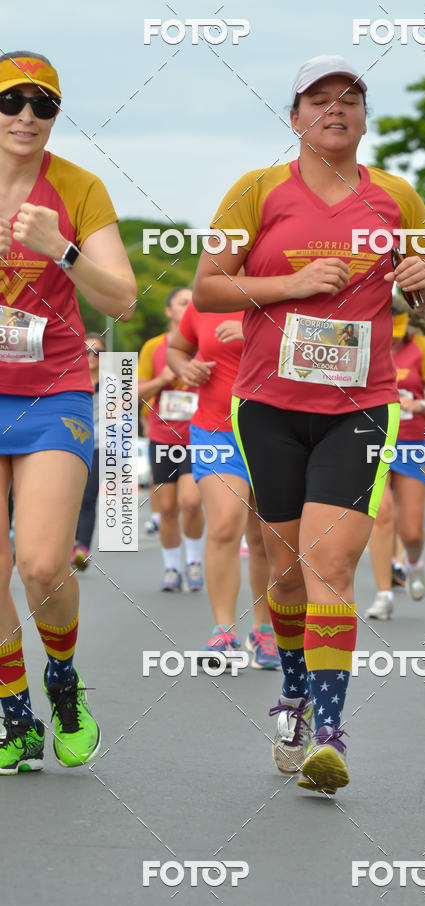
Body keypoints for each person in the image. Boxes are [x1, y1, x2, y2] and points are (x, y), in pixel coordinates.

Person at [192, 55, 425, 793]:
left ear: (365, 119)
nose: (336, 108)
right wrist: (291, 285)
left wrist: (424, 283)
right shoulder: (257, 190)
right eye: (320, 99)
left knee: (331, 565)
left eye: (351, 99)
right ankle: (294, 695)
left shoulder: (397, 196)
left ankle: (329, 733)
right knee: (288, 568)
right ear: (295, 116)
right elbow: (208, 288)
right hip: (267, 404)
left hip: (360, 404)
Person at [0, 51, 136, 773]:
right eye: (11, 101)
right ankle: (15, 712)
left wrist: (62, 249)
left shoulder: (78, 188)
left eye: (42, 104)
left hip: (51, 390)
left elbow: (120, 299)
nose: (26, 115)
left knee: (43, 563)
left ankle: (62, 680)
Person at [167, 301, 280, 669]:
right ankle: (224, 631)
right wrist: (187, 367)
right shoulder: (205, 299)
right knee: (225, 523)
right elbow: (177, 349)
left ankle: (263, 630)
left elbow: (319, 349)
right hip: (216, 429)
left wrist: (255, 333)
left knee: (265, 536)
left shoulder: (283, 289)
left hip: (275, 430)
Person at [366, 310, 425, 615]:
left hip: (412, 444)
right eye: (391, 329)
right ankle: (384, 595)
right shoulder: (362, 340)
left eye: (400, 329)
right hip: (372, 440)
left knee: (411, 531)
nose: (395, 336)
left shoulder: (421, 347)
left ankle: (413, 562)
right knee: (382, 513)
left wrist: (420, 403)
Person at [138, 287, 205, 592]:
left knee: (191, 502)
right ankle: (171, 567)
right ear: (169, 311)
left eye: (194, 303)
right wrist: (163, 379)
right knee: (166, 508)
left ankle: (193, 562)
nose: (189, 307)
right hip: (163, 437)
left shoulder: (206, 342)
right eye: (182, 302)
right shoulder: (154, 346)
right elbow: (132, 394)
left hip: (198, 435)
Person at [71, 333, 105, 570]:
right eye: (86, 352)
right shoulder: (70, 380)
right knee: (68, 497)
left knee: (87, 498)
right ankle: (68, 544)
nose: (91, 357)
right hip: (71, 444)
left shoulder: (113, 383)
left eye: (98, 353)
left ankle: (82, 547)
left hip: (100, 446)